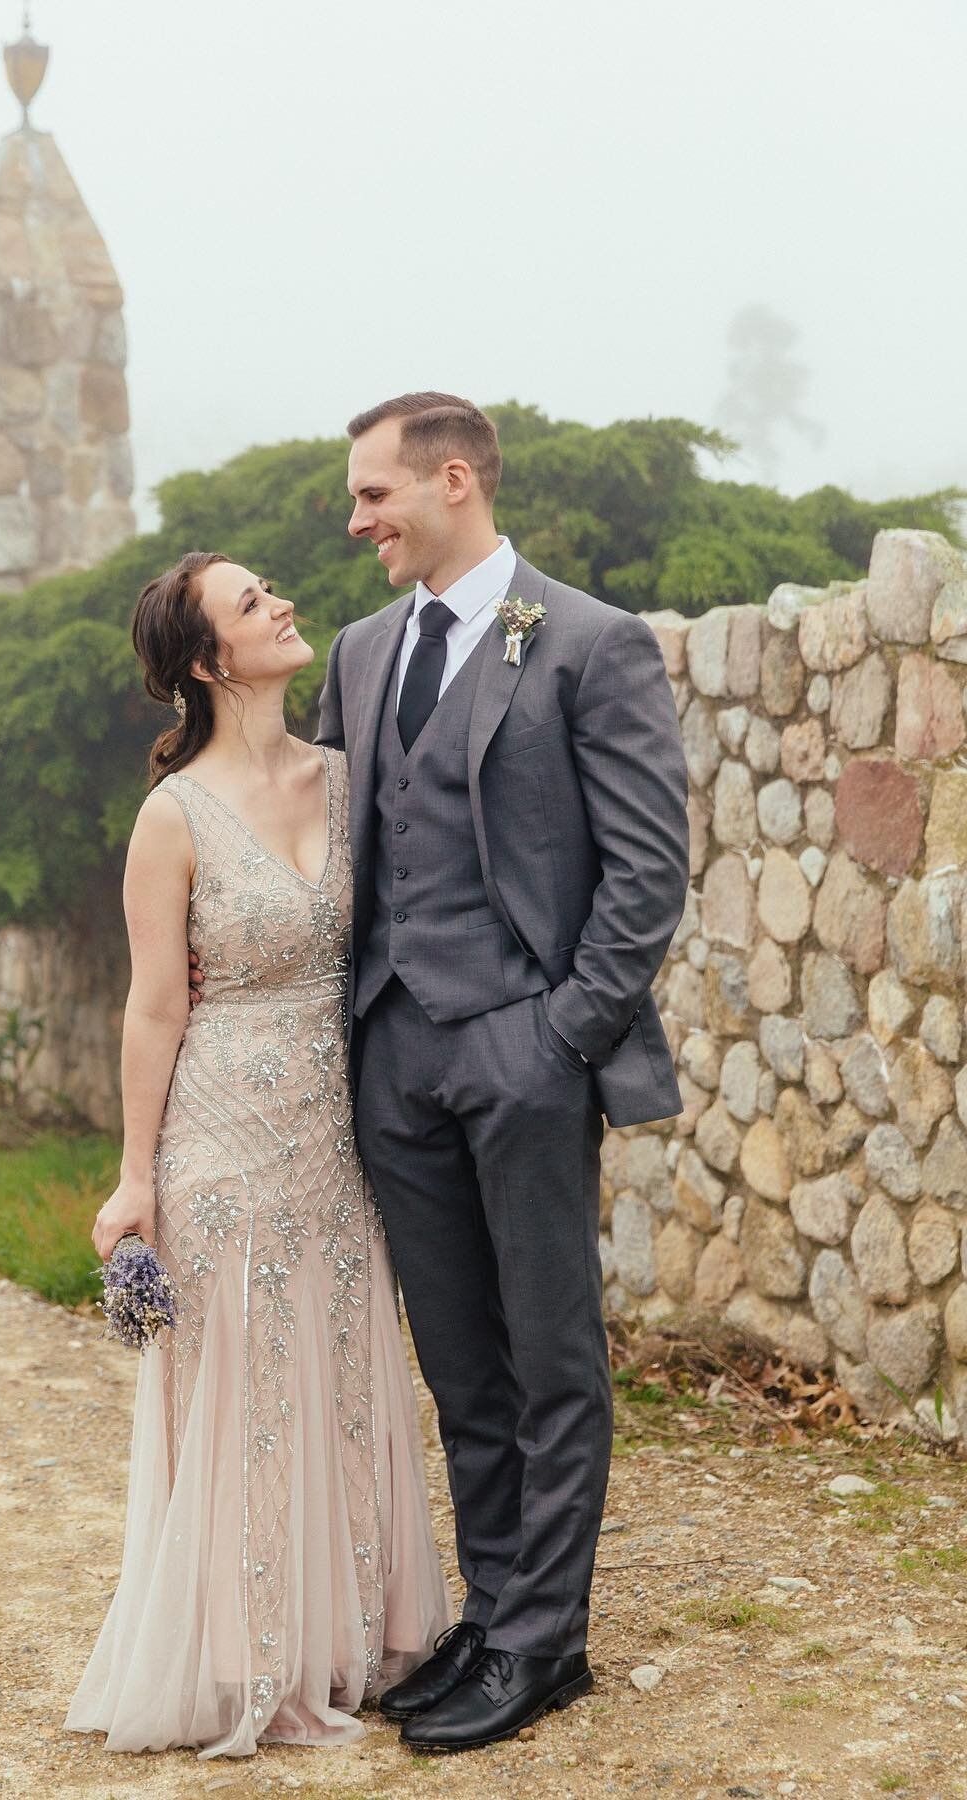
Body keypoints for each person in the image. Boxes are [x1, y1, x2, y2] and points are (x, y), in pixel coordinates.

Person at [313, 392, 690, 1753]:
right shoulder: (361, 653)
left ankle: (546, 1644)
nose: (357, 522)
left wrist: (563, 1034)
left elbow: (648, 872)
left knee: (549, 1355)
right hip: (395, 1054)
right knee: (462, 1363)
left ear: (452, 480)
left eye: (373, 496)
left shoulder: (588, 641)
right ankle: (494, 1611)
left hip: (526, 1050)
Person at [65, 551, 450, 1760]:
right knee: (244, 1389)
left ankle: (353, 1636)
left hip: (340, 1139)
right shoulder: (172, 815)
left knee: (340, 1368)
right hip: (222, 1137)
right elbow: (152, 1008)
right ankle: (248, 1655)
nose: (281, 603)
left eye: (270, 589)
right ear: (203, 661)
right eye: (250, 603)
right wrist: (136, 1178)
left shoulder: (347, 778)